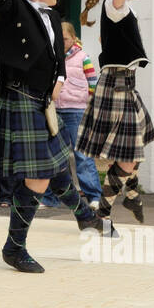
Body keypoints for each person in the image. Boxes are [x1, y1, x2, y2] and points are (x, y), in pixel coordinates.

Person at [0, 0, 106, 272]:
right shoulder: (13, 10)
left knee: (54, 169)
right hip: (19, 99)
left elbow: (56, 54)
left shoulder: (52, 13)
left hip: (42, 100)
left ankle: (85, 217)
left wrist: (61, 77)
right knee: (39, 175)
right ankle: (14, 247)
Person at [77, 0, 154, 225]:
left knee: (136, 145)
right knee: (128, 158)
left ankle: (130, 195)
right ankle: (102, 213)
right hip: (116, 85)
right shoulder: (113, 4)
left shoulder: (121, 7)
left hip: (125, 85)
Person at [48, 21, 103, 210]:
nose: (62, 42)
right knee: (54, 155)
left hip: (76, 110)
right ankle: (52, 198)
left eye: (65, 39)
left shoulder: (83, 58)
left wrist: (86, 103)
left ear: (73, 38)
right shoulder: (52, 57)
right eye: (58, 39)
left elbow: (93, 83)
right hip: (56, 109)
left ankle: (94, 196)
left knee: (82, 155)